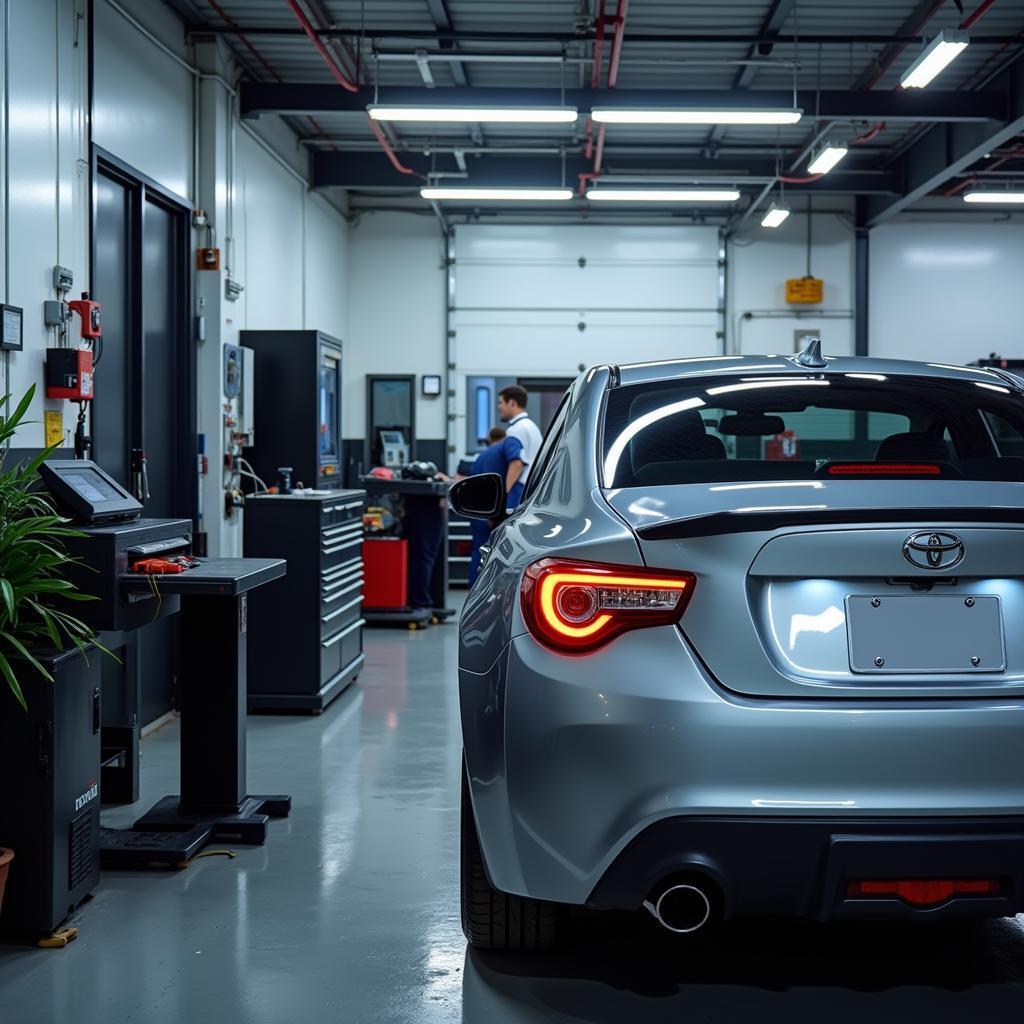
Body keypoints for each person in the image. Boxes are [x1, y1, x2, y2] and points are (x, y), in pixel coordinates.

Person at [467, 426, 524, 585]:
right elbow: (517, 464)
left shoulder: (481, 457)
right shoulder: (510, 442)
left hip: (478, 512)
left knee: (479, 553)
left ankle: (474, 593)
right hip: (493, 512)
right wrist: (504, 498)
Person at [497, 385, 542, 507]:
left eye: (500, 402)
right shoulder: (531, 426)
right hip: (532, 490)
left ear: (512, 403)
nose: (499, 407)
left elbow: (516, 464)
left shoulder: (516, 429)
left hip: (519, 490)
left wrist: (503, 495)